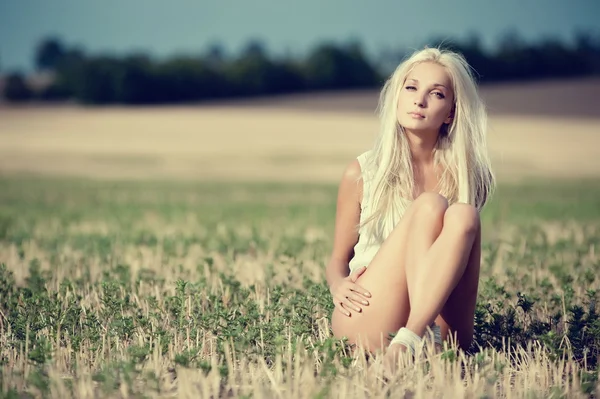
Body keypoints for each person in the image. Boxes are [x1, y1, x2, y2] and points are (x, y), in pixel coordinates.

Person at [325, 47, 495, 374]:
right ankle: (408, 340)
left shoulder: (470, 176)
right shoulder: (362, 171)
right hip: (370, 317)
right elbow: (337, 258)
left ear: (450, 113)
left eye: (437, 94)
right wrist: (338, 285)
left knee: (464, 215)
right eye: (412, 87)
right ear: (397, 97)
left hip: (440, 332)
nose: (420, 100)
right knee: (431, 205)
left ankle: (412, 337)